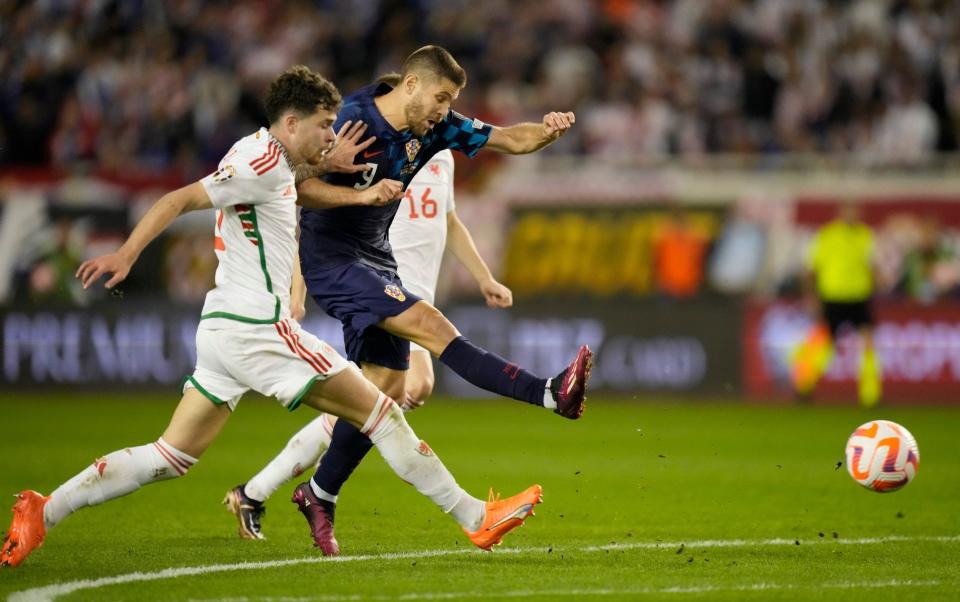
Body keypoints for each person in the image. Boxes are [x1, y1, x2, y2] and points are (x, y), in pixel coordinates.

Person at [0, 66, 542, 568]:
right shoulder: (255, 165)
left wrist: (329, 167)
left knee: (168, 457)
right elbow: (178, 199)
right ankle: (475, 517)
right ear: (290, 121)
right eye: (325, 126)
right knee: (383, 409)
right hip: (262, 330)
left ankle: (43, 511)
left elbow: (292, 178)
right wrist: (125, 254)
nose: (333, 134)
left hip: (223, 332)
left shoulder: (273, 158)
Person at [288, 47, 592, 555]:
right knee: (431, 325)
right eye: (440, 97)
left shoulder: (437, 127)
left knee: (382, 388)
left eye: (451, 100)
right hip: (333, 262)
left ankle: (318, 493)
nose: (444, 109)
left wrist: (547, 130)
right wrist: (347, 183)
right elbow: (296, 188)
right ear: (410, 84)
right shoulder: (352, 120)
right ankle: (549, 393)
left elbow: (507, 138)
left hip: (376, 258)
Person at [225, 147, 514, 541]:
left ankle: (261, 492)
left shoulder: (442, 155)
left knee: (383, 397)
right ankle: (280, 491)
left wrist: (484, 278)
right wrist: (298, 287)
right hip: (380, 288)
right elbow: (317, 219)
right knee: (399, 390)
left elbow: (448, 220)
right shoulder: (381, 149)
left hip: (414, 297)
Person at [790, 202, 881, 406]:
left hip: (859, 296)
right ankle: (804, 384)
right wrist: (811, 296)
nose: (853, 214)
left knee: (868, 343)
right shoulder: (827, 235)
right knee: (823, 344)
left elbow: (871, 265)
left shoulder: (865, 235)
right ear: (840, 213)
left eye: (855, 210)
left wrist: (877, 281)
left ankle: (870, 395)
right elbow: (812, 269)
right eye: (849, 210)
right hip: (833, 297)